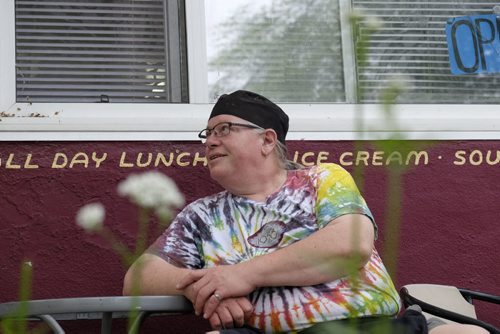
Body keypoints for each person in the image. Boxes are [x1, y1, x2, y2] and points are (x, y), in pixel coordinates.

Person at [123, 90, 488, 334]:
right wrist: (209, 288)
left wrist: (241, 276)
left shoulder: (321, 178)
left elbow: (350, 245)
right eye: (208, 134)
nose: (211, 141)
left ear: (267, 140)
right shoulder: (201, 215)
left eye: (224, 129)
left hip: (363, 326)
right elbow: (137, 279)